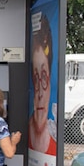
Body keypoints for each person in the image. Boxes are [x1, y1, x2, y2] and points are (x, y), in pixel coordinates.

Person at [28, 14, 57, 154]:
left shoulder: (55, 137)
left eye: (44, 79)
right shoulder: (22, 131)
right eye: (35, 78)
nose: (40, 93)